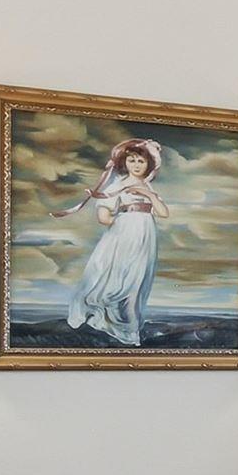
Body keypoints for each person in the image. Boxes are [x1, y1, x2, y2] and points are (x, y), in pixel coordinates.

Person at [59, 136, 169, 345]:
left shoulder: (148, 186)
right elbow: (104, 213)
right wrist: (115, 222)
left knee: (138, 278)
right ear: (125, 162)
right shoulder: (118, 184)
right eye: (132, 160)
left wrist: (148, 195)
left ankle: (130, 328)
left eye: (141, 161)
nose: (136, 165)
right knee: (118, 276)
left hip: (146, 234)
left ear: (149, 164)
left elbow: (163, 213)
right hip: (124, 232)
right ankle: (106, 316)